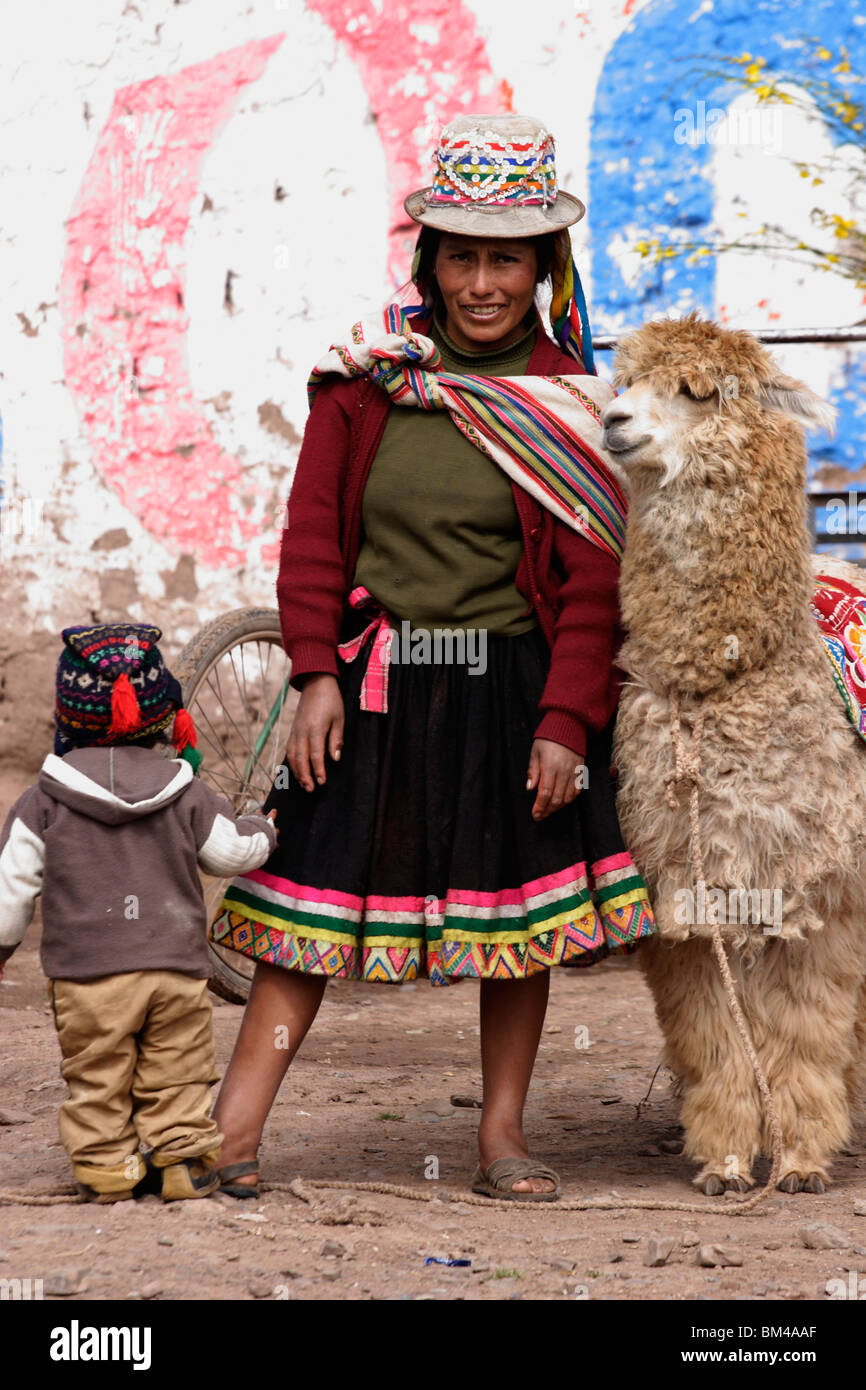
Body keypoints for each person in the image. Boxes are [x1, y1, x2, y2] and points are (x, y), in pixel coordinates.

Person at [210, 114, 654, 1202]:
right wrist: (314, 670)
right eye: (461, 254)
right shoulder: (365, 385)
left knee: (516, 922)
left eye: (506, 257)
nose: (482, 282)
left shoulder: (568, 409)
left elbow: (593, 589)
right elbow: (312, 539)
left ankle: (500, 1133)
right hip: (368, 687)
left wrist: (564, 721)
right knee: (301, 911)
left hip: (505, 690)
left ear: (542, 266)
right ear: (430, 260)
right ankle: (229, 1131)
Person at [0, 622, 277, 1203]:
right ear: (160, 716)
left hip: (86, 978)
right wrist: (265, 829)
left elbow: (10, 893)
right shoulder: (187, 791)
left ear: (67, 717)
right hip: (173, 969)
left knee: (97, 1076)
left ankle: (106, 1169)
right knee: (177, 1069)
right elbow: (231, 852)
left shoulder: (42, 801)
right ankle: (181, 1163)